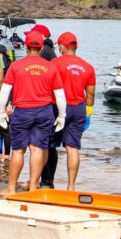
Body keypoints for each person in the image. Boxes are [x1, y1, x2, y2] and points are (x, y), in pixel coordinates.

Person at [0, 30, 66, 195]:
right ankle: (34, 188)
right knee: (37, 149)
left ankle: (11, 189)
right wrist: (62, 115)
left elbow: (4, 91)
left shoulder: (16, 65)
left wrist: (0, 112)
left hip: (22, 112)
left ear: (26, 47)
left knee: (18, 150)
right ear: (41, 48)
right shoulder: (50, 66)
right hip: (44, 112)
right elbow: (60, 95)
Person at [39, 32, 96, 190]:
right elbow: (90, 94)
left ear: (62, 47)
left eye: (59, 46)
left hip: (57, 107)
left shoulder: (54, 64)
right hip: (78, 108)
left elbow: (46, 86)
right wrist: (88, 114)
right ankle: (71, 187)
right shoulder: (88, 67)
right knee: (72, 148)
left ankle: (45, 182)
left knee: (48, 145)